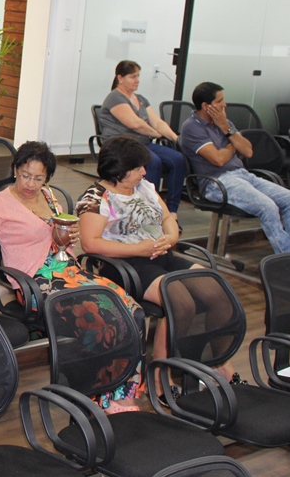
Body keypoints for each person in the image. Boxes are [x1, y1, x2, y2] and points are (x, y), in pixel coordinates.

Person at [0, 141, 145, 413]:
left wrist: (71, 235)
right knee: (100, 321)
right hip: (37, 282)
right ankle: (99, 396)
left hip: (70, 271)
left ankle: (124, 392)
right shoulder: (1, 201)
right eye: (25, 175)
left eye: (38, 178)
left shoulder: (48, 195)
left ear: (46, 178)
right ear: (15, 169)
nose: (30, 184)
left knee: (133, 312)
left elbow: (62, 230)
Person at [76, 135, 237, 385]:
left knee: (218, 291)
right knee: (180, 302)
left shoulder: (144, 187)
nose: (144, 172)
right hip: (125, 265)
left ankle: (219, 361)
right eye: (138, 168)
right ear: (119, 170)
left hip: (160, 255)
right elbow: (90, 243)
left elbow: (167, 218)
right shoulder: (96, 198)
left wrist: (171, 237)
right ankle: (160, 374)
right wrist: (137, 249)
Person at [181, 82, 290, 268]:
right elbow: (218, 160)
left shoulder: (224, 123)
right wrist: (232, 144)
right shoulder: (192, 127)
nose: (224, 105)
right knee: (267, 207)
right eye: (220, 101)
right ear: (206, 106)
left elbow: (247, 151)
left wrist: (226, 129)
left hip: (244, 175)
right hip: (217, 182)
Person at [97, 60, 184, 216]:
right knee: (153, 161)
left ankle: (172, 211)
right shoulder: (114, 97)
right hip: (123, 145)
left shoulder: (141, 99)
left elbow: (157, 122)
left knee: (177, 159)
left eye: (138, 76)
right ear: (120, 78)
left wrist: (175, 138)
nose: (137, 80)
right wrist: (157, 134)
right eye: (132, 77)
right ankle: (148, 210)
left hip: (142, 143)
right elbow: (135, 124)